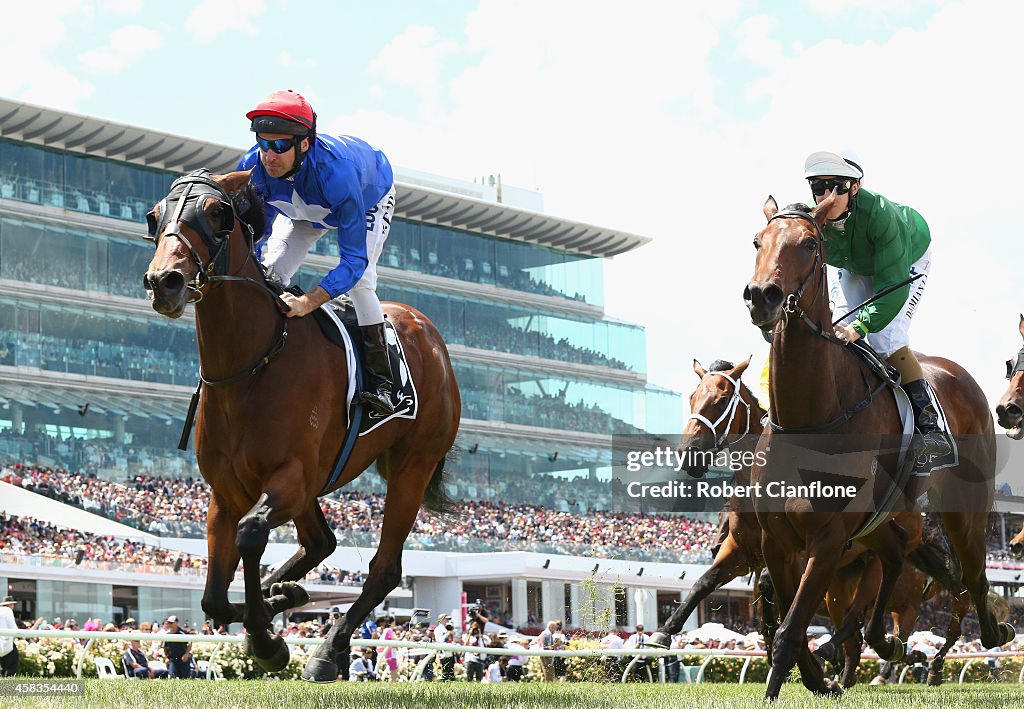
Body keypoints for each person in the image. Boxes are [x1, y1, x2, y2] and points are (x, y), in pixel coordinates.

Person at [239, 89, 398, 417]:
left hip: (368, 196)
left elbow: (353, 261)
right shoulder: (253, 166)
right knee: (271, 270)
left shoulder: (336, 174)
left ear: (305, 144)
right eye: (263, 143)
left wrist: (309, 301)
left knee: (361, 283)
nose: (269, 155)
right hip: (304, 207)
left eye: (280, 146)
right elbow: (253, 233)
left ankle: (384, 383)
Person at [804, 151, 952, 475]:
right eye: (819, 187)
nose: (828, 196)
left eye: (837, 187)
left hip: (906, 258)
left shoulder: (883, 216)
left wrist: (860, 326)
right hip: (856, 264)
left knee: (885, 337)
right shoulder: (813, 219)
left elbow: (894, 288)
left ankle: (931, 429)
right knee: (836, 333)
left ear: (854, 188)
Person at [0, 596, 19, 677]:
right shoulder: (8, 611)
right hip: (7, 642)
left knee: (1, 668)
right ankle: (8, 688)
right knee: (11, 666)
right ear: (10, 604)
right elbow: (13, 628)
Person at [434, 613, 456, 681]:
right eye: (446, 619)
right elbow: (439, 640)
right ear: (441, 620)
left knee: (451, 675)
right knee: (445, 674)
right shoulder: (438, 629)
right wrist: (448, 634)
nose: (447, 621)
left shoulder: (448, 628)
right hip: (443, 654)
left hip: (450, 653)